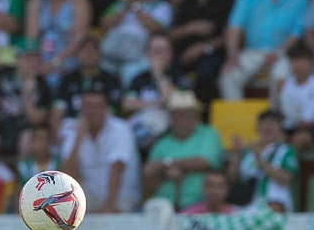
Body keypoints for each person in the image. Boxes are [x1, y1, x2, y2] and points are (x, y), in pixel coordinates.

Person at [220, 0, 308, 100]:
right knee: (229, 76)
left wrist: (279, 52)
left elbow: (297, 32)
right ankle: (238, 122)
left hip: (283, 53)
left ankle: (274, 121)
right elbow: (234, 27)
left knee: (282, 77)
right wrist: (233, 57)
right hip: (252, 52)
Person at [59, 83, 141, 213]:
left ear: (105, 108)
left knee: (110, 217)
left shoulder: (121, 129)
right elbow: (66, 174)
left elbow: (117, 168)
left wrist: (108, 205)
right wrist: (78, 140)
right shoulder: (74, 131)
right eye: (88, 107)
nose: (92, 112)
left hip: (121, 195)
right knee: (64, 208)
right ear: (82, 109)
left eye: (97, 107)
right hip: (89, 197)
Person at [143, 90, 223, 208]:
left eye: (187, 113)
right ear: (170, 116)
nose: (182, 118)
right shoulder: (161, 143)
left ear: (196, 115)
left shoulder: (208, 133)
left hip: (200, 204)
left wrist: (166, 163)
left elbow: (205, 162)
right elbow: (149, 174)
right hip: (163, 205)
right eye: (177, 113)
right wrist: (168, 171)